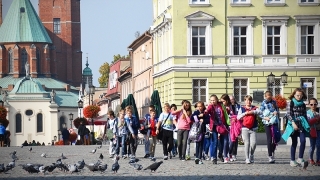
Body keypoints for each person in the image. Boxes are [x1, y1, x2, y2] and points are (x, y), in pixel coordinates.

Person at [284, 88, 309, 167]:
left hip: (301, 125)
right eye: (297, 95)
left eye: (300, 95)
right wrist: (293, 123)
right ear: (294, 95)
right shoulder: (290, 103)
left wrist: (307, 125)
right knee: (294, 142)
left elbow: (305, 115)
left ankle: (300, 158)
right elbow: (288, 114)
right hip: (293, 125)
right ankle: (292, 160)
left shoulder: (303, 104)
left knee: (303, 141)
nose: (299, 97)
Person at [237, 95, 261, 164]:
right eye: (247, 100)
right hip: (245, 128)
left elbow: (260, 113)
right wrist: (245, 113)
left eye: (250, 100)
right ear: (244, 101)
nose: (248, 102)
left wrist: (253, 112)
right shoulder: (242, 108)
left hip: (253, 128)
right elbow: (238, 117)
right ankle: (247, 158)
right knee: (247, 143)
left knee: (254, 143)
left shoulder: (254, 108)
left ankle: (252, 155)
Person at [259, 91, 279, 163]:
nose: (268, 96)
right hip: (267, 123)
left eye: (270, 95)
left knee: (276, 138)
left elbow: (277, 111)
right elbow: (259, 113)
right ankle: (270, 155)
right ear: (265, 96)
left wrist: (276, 112)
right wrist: (265, 118)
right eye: (267, 95)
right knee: (269, 139)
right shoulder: (263, 103)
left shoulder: (274, 102)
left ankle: (272, 150)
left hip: (275, 122)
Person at [307, 98, 320, 166]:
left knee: (318, 145)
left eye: (315, 104)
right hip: (312, 131)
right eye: (311, 104)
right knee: (312, 146)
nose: (313, 106)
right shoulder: (307, 113)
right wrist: (315, 119)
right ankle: (310, 158)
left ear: (317, 104)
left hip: (318, 130)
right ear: (309, 105)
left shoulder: (318, 113)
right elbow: (307, 123)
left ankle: (318, 160)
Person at [229, 95, 241, 161]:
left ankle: (234, 154)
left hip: (236, 125)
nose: (231, 101)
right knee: (230, 140)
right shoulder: (227, 106)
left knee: (235, 141)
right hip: (230, 125)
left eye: (232, 99)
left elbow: (240, 114)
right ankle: (229, 153)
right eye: (230, 99)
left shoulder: (238, 106)